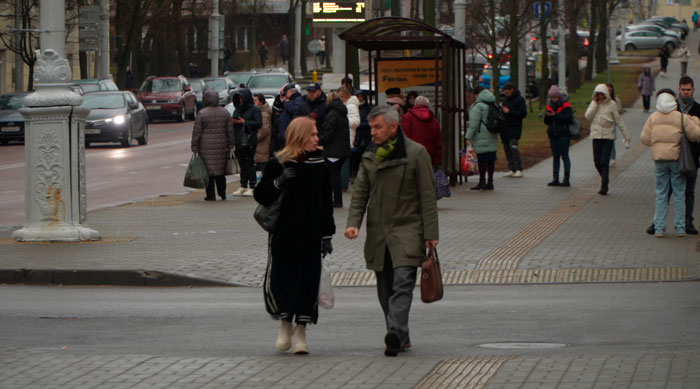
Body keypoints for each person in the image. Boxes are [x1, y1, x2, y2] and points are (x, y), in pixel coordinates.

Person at [344, 104, 439, 357]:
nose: (373, 132)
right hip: (378, 232)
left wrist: (431, 233)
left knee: (403, 283)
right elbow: (360, 192)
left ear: (394, 127)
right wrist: (353, 223)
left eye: (378, 127)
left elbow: (428, 197)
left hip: (408, 229)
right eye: (371, 127)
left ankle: (395, 331)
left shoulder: (416, 153)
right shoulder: (370, 155)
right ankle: (400, 335)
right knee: (384, 287)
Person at [254, 117, 335, 355]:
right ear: (299, 137)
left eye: (316, 134)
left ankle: (301, 332)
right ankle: (284, 325)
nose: (317, 139)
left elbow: (325, 204)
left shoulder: (320, 164)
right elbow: (261, 196)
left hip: (311, 235)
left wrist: (327, 235)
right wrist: (279, 182)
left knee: (307, 283)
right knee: (283, 281)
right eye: (312, 135)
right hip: (284, 234)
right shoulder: (278, 163)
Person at [641, 90, 700, 237]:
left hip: (659, 160)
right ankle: (679, 228)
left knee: (661, 194)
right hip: (676, 159)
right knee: (679, 193)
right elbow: (695, 135)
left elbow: (645, 139)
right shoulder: (680, 117)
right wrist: (696, 121)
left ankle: (659, 228)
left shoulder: (653, 118)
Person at [585, 84, 631, 195]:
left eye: (601, 94)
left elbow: (619, 121)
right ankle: (604, 177)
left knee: (604, 161)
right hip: (596, 136)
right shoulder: (594, 104)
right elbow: (588, 116)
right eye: (598, 94)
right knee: (597, 161)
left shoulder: (612, 105)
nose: (600, 96)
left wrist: (626, 136)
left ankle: (604, 184)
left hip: (608, 137)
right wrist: (595, 105)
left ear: (605, 94)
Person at [191, 90, 234, 201]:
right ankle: (222, 193)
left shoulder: (202, 113)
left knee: (208, 172)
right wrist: (230, 146)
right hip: (221, 146)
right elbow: (230, 131)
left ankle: (210, 195)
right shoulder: (225, 112)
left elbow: (197, 132)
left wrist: (194, 146)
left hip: (205, 147)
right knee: (220, 172)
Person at [319, 91, 350, 208]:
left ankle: (336, 200)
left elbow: (327, 133)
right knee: (335, 174)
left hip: (333, 150)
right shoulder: (342, 112)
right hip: (342, 149)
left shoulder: (332, 114)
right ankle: (337, 200)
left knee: (333, 175)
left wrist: (319, 141)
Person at [465, 86, 500, 190]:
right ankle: (490, 182)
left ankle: (482, 182)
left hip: (481, 136)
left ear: (476, 94)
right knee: (491, 160)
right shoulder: (493, 103)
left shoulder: (478, 106)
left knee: (482, 160)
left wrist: (468, 136)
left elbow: (474, 124)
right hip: (492, 134)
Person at [231, 88, 262, 196]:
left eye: (241, 98)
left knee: (249, 163)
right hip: (238, 139)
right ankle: (243, 185)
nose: (240, 100)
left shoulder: (255, 110)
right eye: (238, 98)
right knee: (242, 164)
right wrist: (234, 121)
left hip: (249, 140)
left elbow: (259, 123)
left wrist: (245, 122)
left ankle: (252, 185)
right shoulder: (237, 109)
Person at [544, 85, 573, 187]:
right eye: (551, 97)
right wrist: (548, 116)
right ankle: (555, 178)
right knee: (555, 156)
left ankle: (566, 178)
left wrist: (555, 115)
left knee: (564, 156)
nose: (553, 99)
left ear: (559, 96)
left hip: (563, 134)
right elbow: (546, 122)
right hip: (553, 134)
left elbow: (568, 118)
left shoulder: (566, 104)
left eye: (555, 97)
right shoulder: (550, 105)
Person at [401, 96, 441, 166]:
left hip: (411, 156)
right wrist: (437, 160)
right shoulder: (434, 120)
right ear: (427, 106)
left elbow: (404, 137)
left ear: (415, 105)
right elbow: (438, 141)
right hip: (429, 156)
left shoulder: (407, 117)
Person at [500, 83, 527, 178]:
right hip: (505, 128)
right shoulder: (505, 100)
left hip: (515, 128)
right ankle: (511, 168)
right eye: (505, 92)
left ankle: (518, 168)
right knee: (507, 148)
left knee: (513, 148)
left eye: (507, 92)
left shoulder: (520, 100)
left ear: (512, 90)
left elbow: (523, 113)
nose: (506, 94)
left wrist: (510, 112)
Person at [351, 90, 374, 180]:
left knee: (364, 156)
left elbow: (369, 121)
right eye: (358, 96)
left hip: (365, 135)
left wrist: (359, 124)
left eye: (362, 96)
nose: (360, 98)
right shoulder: (354, 107)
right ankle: (354, 174)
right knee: (354, 157)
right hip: (356, 135)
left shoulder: (368, 108)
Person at [278, 83, 309, 148]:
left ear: (292, 91)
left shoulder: (298, 100)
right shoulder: (293, 101)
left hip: (290, 136)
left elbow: (295, 110)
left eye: (286, 93)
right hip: (286, 135)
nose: (286, 96)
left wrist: (287, 103)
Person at [254, 93, 272, 173]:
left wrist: (254, 138)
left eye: (255, 100)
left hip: (262, 146)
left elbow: (265, 130)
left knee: (263, 169)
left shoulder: (263, 114)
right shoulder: (258, 112)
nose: (254, 102)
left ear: (261, 102)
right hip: (260, 147)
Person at [606, 83, 623, 166]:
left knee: (611, 139)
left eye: (610, 90)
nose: (609, 92)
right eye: (607, 90)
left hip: (612, 123)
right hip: (603, 123)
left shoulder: (615, 100)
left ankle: (612, 156)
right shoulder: (601, 101)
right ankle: (606, 156)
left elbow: (619, 111)